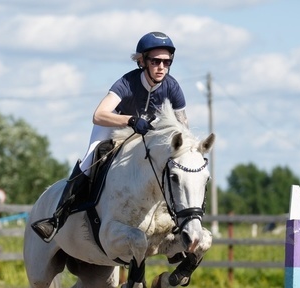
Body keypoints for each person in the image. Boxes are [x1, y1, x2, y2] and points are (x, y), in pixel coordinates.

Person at [31, 31, 189, 242]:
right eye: (156, 61)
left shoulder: (172, 86)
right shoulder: (126, 82)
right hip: (114, 124)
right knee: (90, 158)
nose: (162, 67)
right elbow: (98, 115)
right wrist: (130, 120)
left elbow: (182, 124)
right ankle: (57, 218)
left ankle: (178, 220)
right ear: (142, 61)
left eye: (167, 62)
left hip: (147, 132)